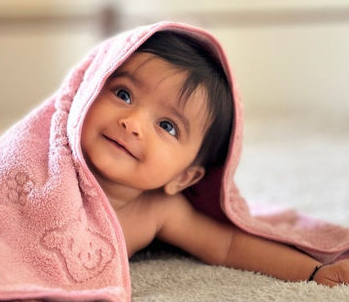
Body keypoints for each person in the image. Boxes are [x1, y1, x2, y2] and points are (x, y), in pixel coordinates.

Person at [81, 30, 349, 287]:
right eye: (123, 94)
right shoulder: (45, 172)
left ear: (184, 177)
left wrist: (314, 273)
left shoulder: (158, 210)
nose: (133, 123)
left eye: (167, 126)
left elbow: (229, 245)